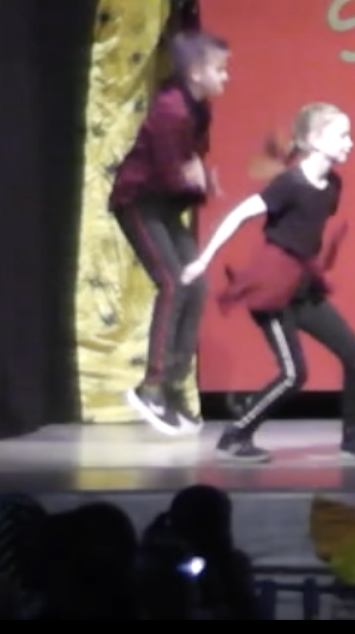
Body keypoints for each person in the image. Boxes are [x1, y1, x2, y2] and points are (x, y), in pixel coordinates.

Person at [183, 103, 355, 464]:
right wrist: (204, 259)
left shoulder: (332, 185)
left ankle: (354, 437)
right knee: (294, 374)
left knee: (354, 353)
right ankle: (236, 436)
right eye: (342, 135)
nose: (350, 142)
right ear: (315, 140)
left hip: (302, 288)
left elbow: (305, 236)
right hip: (273, 289)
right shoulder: (289, 184)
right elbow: (239, 215)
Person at [109, 30, 231, 435]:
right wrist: (192, 178)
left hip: (164, 206)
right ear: (195, 72)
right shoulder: (170, 110)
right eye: (220, 69)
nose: (226, 77)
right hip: (139, 202)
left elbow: (189, 164)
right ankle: (151, 386)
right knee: (173, 283)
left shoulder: (200, 110)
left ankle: (174, 385)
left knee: (195, 284)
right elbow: (168, 171)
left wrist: (199, 178)